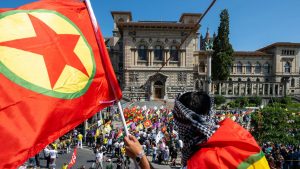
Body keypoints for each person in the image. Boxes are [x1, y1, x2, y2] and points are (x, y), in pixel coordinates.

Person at [124, 91, 270, 169]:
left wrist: (140, 157)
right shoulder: (245, 140)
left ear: (185, 124)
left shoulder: (203, 163)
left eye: (177, 120)